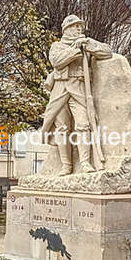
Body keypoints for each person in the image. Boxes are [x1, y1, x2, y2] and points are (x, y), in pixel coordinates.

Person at [39, 14, 113, 174]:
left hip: (78, 87)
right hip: (60, 87)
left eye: (80, 26)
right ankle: (66, 165)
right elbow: (57, 62)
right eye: (75, 26)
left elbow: (108, 52)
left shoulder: (85, 43)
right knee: (62, 128)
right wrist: (75, 49)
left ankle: (85, 162)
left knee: (84, 124)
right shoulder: (57, 46)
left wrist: (89, 45)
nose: (79, 29)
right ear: (66, 29)